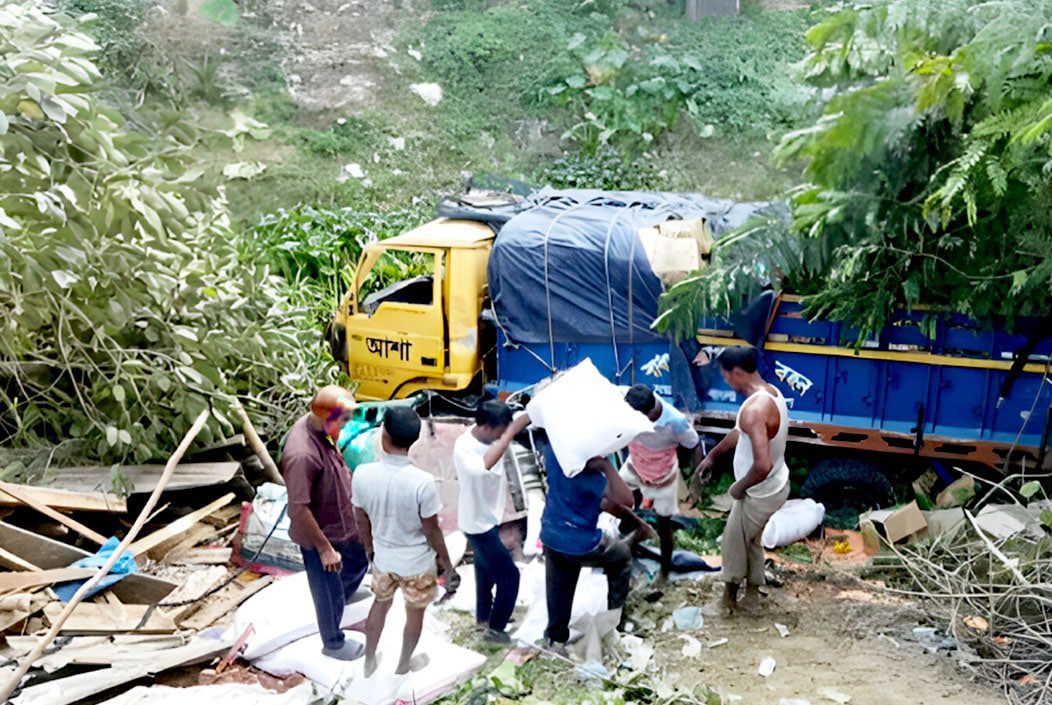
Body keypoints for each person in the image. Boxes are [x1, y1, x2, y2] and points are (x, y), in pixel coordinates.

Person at [352, 406, 459, 677]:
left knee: (380, 605)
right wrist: (446, 564)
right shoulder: (422, 483)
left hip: (383, 558)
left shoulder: (362, 474)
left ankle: (368, 661)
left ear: (383, 436)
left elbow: (361, 518)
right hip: (417, 564)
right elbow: (432, 530)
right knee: (415, 614)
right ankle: (402, 665)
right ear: (414, 440)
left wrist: (369, 549)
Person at [693, 346, 790, 614]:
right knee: (752, 541)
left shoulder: (754, 411)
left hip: (760, 490)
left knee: (733, 542)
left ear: (736, 372)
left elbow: (762, 465)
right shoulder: (769, 393)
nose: (725, 381)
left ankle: (728, 601)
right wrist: (712, 456)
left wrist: (738, 488)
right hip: (774, 483)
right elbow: (740, 433)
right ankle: (751, 596)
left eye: (725, 376)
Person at [281, 385, 368, 661]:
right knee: (326, 588)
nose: (347, 424)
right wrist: (324, 548)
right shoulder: (302, 455)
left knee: (358, 560)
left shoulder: (324, 428)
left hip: (342, 520)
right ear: (325, 416)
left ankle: (344, 594)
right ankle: (333, 642)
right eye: (343, 419)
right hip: (320, 532)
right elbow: (298, 509)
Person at [540, 445, 638, 650]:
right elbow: (627, 500)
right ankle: (615, 621)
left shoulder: (554, 454)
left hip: (551, 534)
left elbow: (603, 503)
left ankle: (555, 636)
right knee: (622, 555)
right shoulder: (590, 477)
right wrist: (605, 466)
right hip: (581, 542)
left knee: (559, 580)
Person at [454, 400, 530, 644]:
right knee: (510, 577)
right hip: (477, 525)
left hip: (487, 518)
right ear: (486, 427)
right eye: (499, 431)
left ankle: (483, 619)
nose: (501, 437)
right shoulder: (464, 447)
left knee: (484, 572)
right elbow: (483, 467)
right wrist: (509, 434)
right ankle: (495, 631)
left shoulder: (489, 437)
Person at [622, 385, 702, 582]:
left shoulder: (675, 423)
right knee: (611, 498)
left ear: (649, 414)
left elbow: (695, 445)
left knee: (664, 525)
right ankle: (632, 538)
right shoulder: (629, 399)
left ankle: (664, 573)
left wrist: (696, 482)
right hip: (634, 464)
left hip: (663, 476)